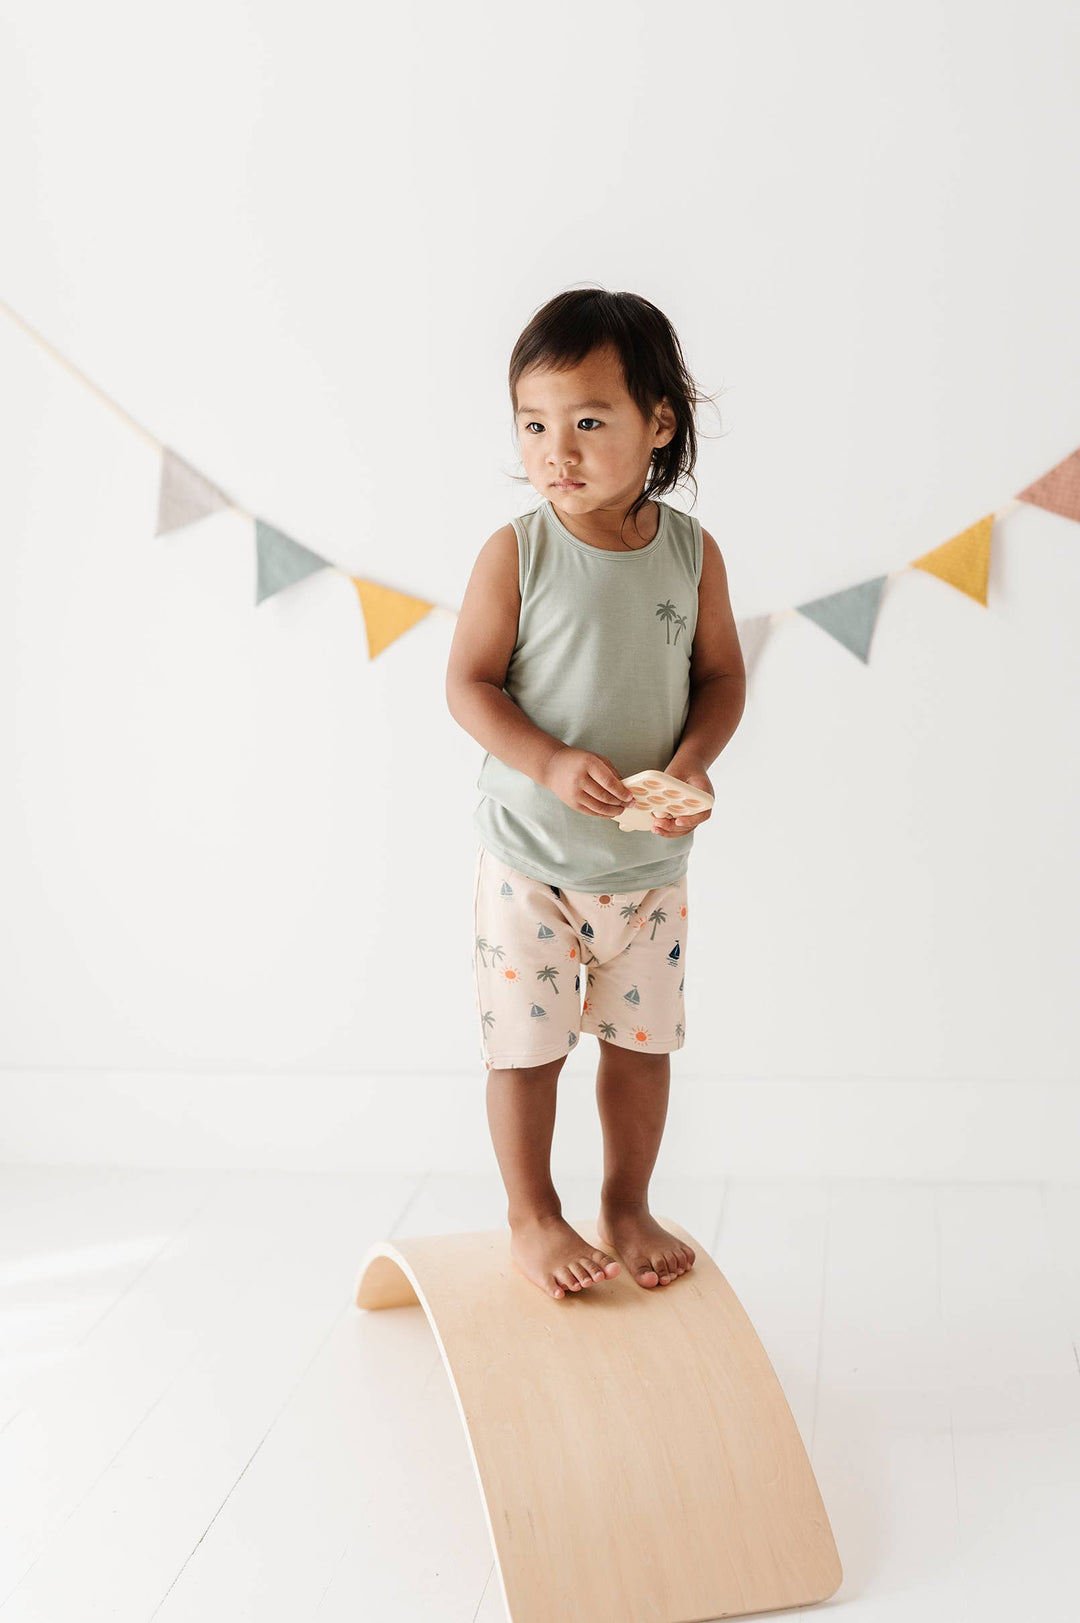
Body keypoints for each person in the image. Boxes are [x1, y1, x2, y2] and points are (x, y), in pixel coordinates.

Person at [446, 287, 745, 1300]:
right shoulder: (517, 552)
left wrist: (696, 759)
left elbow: (722, 679)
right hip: (531, 861)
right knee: (528, 1051)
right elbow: (469, 686)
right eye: (534, 424)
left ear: (659, 424)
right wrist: (547, 761)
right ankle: (534, 1214)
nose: (555, 450)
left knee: (641, 1046)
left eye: (587, 421)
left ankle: (627, 1200)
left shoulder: (689, 555)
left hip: (648, 865)